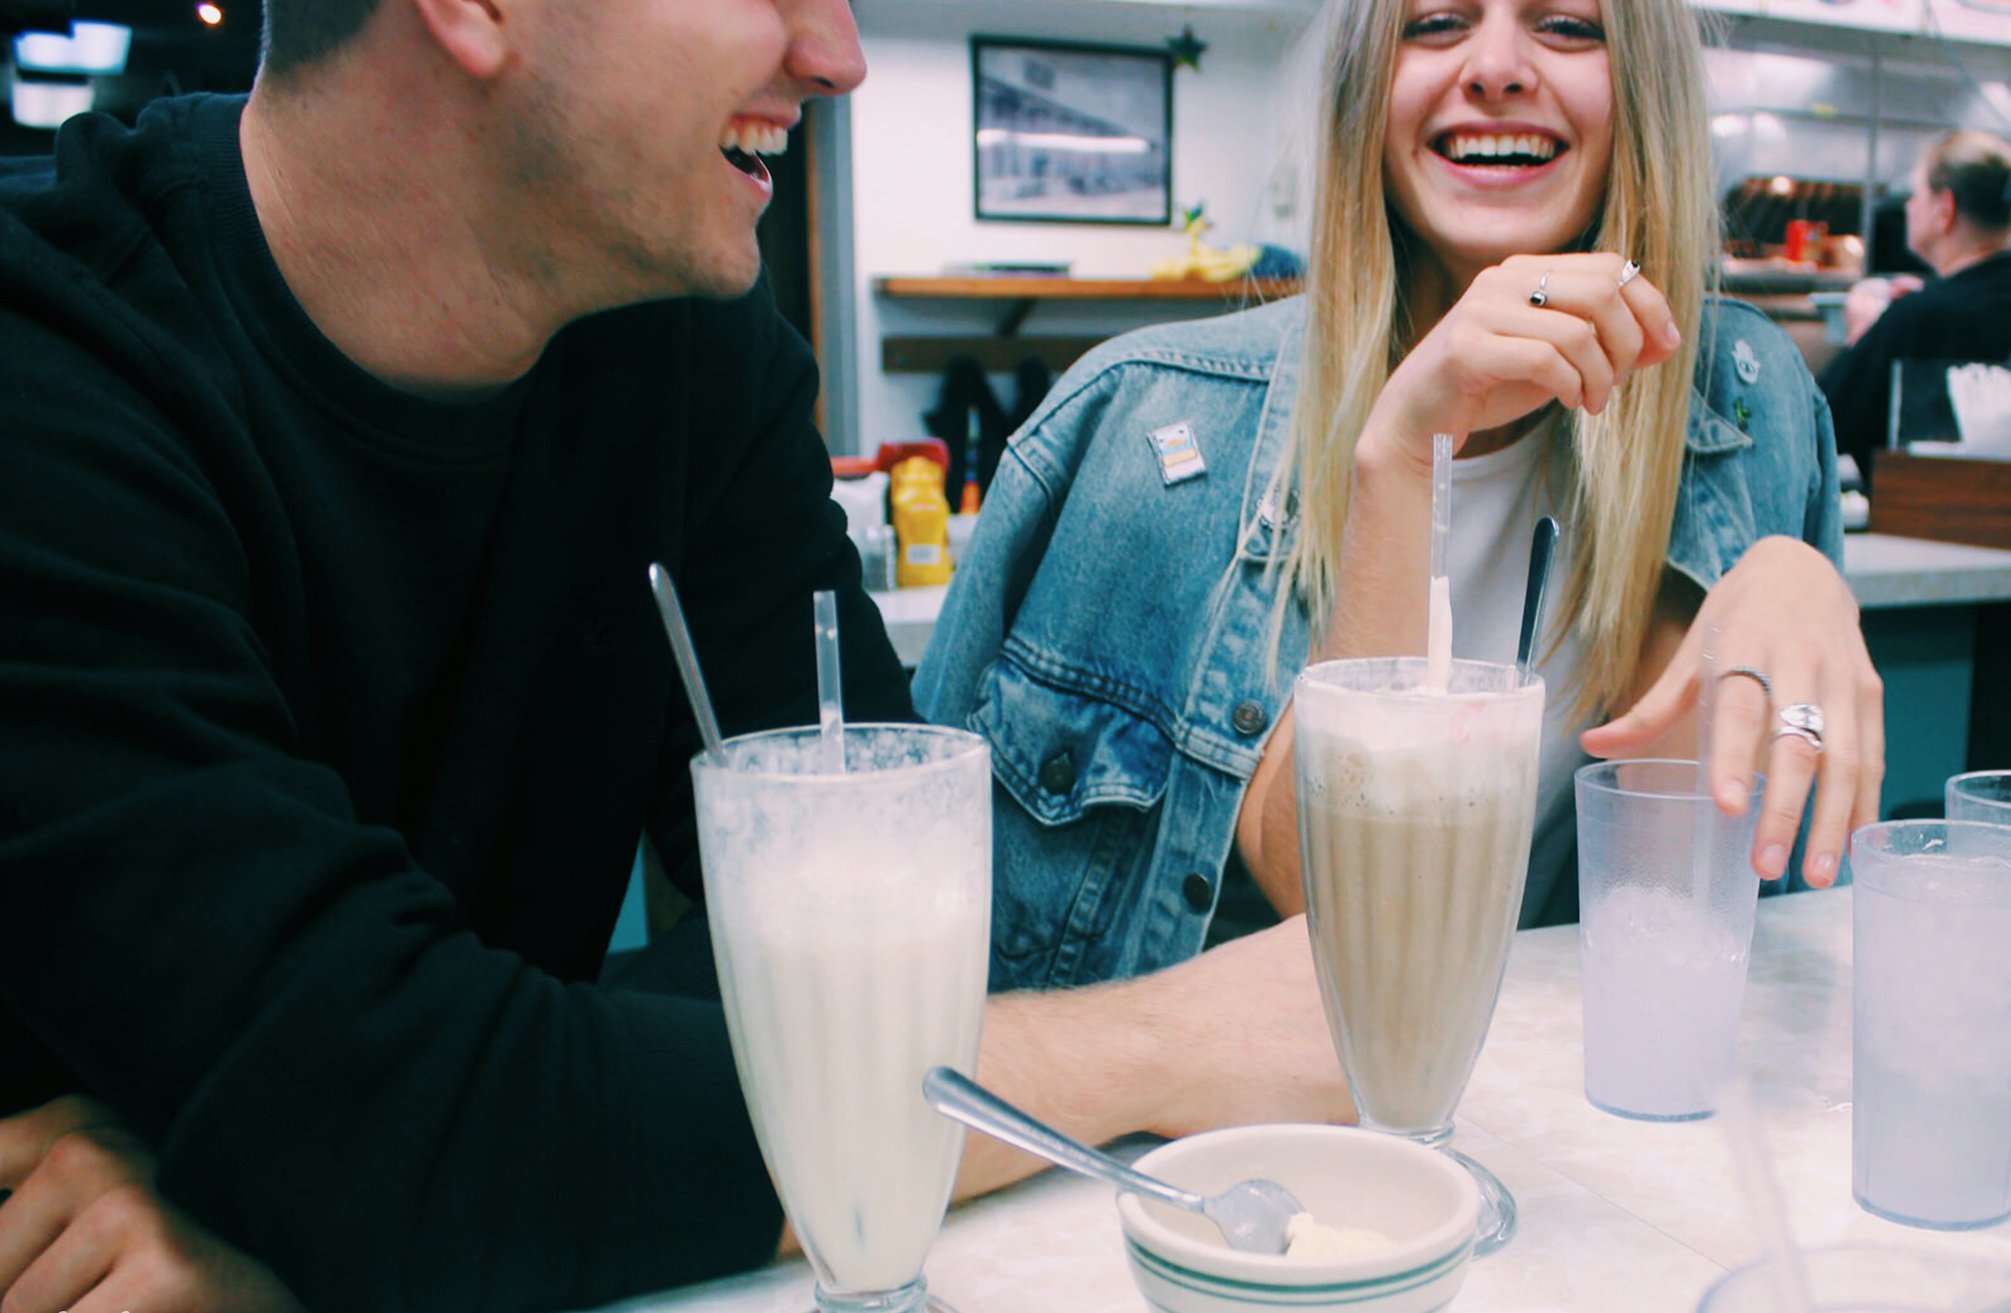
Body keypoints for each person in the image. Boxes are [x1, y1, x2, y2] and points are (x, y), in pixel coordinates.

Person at [0, 1, 1351, 1310]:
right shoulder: (50, 376)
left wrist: (348, 1178)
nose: (837, 58)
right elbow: (407, 1122)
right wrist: (1165, 1046)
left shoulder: (689, 353)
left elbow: (875, 912)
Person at [915, 0, 1884, 992]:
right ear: (1362, 87)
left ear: (1642, 86)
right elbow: (1337, 910)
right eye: (1434, 22)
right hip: (1219, 1134)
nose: (1496, 67)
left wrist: (1789, 574)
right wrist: (1398, 457)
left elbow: (1665, 909)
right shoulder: (1142, 424)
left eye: (1565, 26)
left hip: (1565, 1115)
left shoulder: (1749, 395)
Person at [1818, 129, 2011, 482]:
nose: (1908, 207)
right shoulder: (1930, 307)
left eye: (1916, 194)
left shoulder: (1916, 319)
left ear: (1945, 210)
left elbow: (1818, 427)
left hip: (1927, 529)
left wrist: (1865, 335)